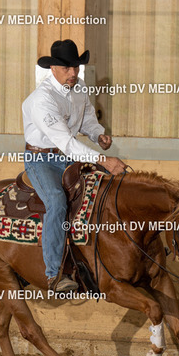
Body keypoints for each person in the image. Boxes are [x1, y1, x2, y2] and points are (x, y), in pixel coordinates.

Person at [22, 39, 127, 292]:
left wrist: (98, 135)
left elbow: (87, 118)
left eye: (76, 67)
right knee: (57, 201)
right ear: (53, 68)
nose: (73, 73)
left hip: (67, 157)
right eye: (67, 68)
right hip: (42, 159)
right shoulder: (42, 100)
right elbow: (67, 143)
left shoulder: (78, 87)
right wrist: (104, 159)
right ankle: (54, 273)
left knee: (105, 187)